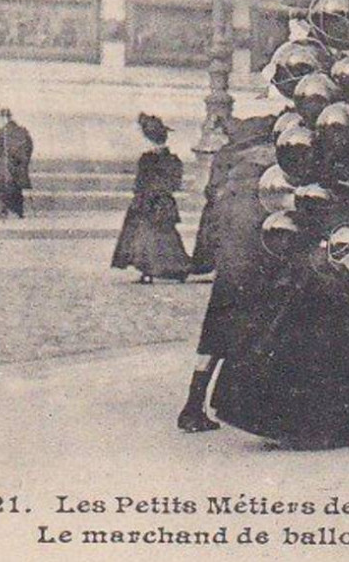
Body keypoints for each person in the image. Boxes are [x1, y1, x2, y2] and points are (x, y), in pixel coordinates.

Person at [177, 115, 279, 433]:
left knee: (213, 342)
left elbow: (212, 235)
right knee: (256, 340)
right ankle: (248, 410)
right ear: (256, 150)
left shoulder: (228, 185)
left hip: (228, 276)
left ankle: (193, 406)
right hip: (253, 275)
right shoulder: (262, 186)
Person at [110, 113, 191, 284]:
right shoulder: (174, 159)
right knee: (167, 235)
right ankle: (176, 269)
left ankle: (149, 270)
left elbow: (140, 183)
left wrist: (143, 194)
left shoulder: (147, 159)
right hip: (164, 201)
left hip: (147, 200)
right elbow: (175, 183)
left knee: (145, 235)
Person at [0, 108, 34, 218]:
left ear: (3, 118)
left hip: (6, 167)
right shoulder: (22, 131)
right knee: (16, 189)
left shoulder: (1, 132)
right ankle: (17, 211)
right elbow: (29, 147)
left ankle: (7, 211)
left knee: (5, 188)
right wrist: (23, 162)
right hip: (18, 166)